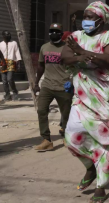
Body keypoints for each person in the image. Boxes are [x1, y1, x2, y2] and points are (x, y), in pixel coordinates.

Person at [61, 1, 109, 202]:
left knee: (106, 141)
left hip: (105, 97)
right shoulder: (76, 37)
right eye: (85, 16)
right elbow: (64, 57)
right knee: (72, 136)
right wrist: (90, 58)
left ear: (102, 20)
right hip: (81, 96)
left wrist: (80, 53)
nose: (86, 20)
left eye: (90, 17)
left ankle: (101, 185)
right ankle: (91, 166)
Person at [33, 23, 73, 151]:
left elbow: (74, 66)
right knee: (41, 110)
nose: (54, 33)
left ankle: (67, 137)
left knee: (66, 114)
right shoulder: (44, 47)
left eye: (56, 31)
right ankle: (46, 140)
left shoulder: (67, 48)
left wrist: (72, 81)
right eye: (51, 31)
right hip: (47, 85)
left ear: (61, 34)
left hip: (63, 87)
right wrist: (36, 83)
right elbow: (40, 66)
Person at [0, 30, 22, 101]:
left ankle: (15, 92)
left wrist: (18, 62)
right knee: (4, 80)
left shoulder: (14, 43)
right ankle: (7, 94)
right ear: (3, 36)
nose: (8, 35)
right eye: (7, 34)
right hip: (3, 63)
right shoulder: (0, 44)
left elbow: (17, 52)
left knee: (10, 79)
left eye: (9, 34)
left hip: (11, 62)